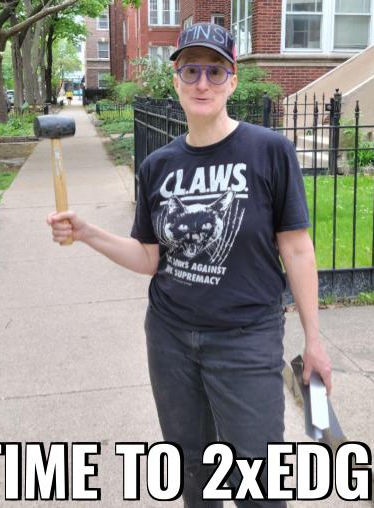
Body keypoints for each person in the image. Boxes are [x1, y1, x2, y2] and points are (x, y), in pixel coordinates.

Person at [47, 22, 332, 508]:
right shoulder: (158, 166)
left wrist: (314, 341)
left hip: (245, 338)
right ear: (175, 79)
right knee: (192, 469)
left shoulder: (269, 152)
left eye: (215, 71)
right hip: (171, 337)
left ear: (233, 81)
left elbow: (298, 250)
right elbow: (149, 258)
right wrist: (87, 232)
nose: (203, 83)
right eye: (191, 70)